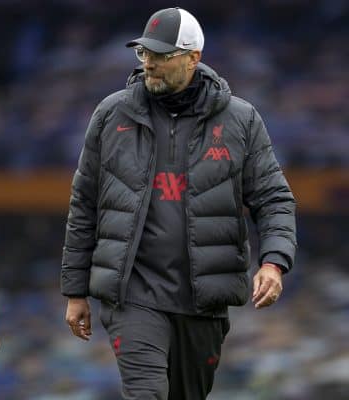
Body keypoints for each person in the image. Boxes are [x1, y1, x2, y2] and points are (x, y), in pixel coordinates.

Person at [61, 7, 296, 400]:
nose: (148, 64)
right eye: (143, 54)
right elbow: (84, 204)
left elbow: (273, 199)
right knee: (147, 393)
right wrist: (74, 290)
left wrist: (273, 263)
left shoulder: (241, 121)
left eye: (160, 55)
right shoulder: (110, 114)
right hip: (132, 294)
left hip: (202, 299)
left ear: (193, 58)